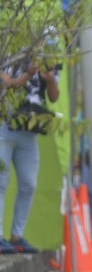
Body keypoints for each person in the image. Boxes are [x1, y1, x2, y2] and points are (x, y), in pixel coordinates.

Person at [0, 58, 58, 254]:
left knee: (28, 184)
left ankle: (17, 236)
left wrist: (50, 80)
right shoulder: (9, 55)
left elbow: (54, 96)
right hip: (4, 128)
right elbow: (6, 84)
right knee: (1, 182)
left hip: (29, 132)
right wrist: (27, 74)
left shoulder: (42, 60)